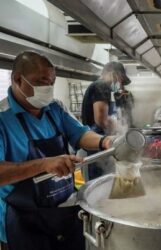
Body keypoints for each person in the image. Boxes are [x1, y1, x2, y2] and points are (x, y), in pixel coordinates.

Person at [0, 51, 116, 250]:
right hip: (23, 222)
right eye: (42, 81)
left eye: (52, 82)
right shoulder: (3, 119)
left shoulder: (55, 108)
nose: (48, 88)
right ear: (18, 79)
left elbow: (80, 135)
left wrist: (106, 141)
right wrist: (45, 164)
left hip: (63, 213)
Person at [81, 61, 131, 180]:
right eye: (120, 80)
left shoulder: (100, 87)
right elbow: (101, 120)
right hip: (98, 144)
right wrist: (120, 130)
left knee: (103, 180)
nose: (120, 84)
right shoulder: (102, 86)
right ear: (114, 74)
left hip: (99, 143)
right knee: (100, 182)